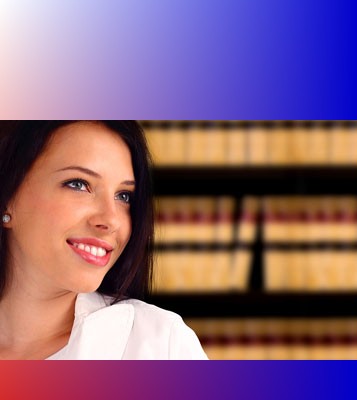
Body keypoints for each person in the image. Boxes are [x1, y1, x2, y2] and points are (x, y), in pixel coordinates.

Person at [0, 121, 207, 359]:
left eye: (124, 196)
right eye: (78, 184)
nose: (111, 220)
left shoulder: (160, 345)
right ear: (7, 197)